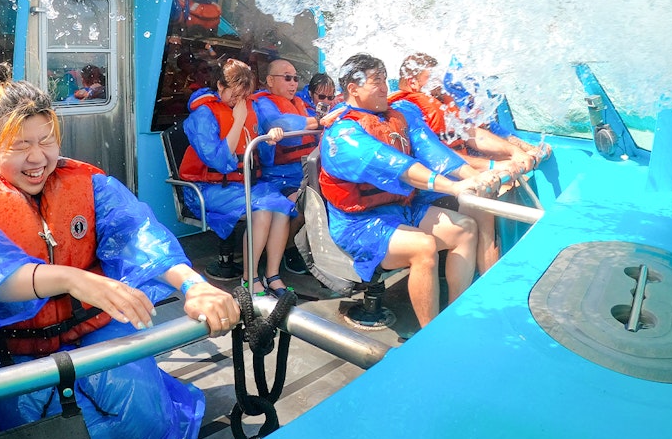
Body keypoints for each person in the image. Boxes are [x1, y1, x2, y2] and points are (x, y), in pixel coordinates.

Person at [0, 72, 239, 439]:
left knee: (143, 421)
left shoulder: (90, 186)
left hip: (95, 333)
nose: (38, 157)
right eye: (20, 145)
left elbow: (138, 233)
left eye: (46, 141)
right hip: (15, 354)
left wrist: (195, 286)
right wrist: (71, 278)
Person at [319, 54, 502, 327]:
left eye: (384, 79)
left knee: (465, 228)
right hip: (360, 224)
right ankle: (433, 335)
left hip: (401, 208)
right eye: (375, 82)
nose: (384, 87)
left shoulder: (399, 115)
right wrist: (452, 186)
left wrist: (474, 177)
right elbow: (399, 167)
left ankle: (455, 318)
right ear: (353, 89)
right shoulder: (342, 135)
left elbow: (433, 151)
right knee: (423, 246)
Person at [179, 59, 297, 297]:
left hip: (244, 184)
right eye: (234, 94)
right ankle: (249, 277)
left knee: (283, 207)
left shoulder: (247, 107)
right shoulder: (203, 115)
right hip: (208, 188)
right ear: (220, 86)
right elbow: (220, 163)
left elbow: (263, 157)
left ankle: (272, 275)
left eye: (244, 96)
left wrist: (268, 138)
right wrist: (238, 120)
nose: (238, 101)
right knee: (262, 210)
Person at [389, 52, 539, 175]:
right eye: (433, 79)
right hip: (437, 189)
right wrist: (495, 165)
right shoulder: (405, 110)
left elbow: (473, 133)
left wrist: (517, 150)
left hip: (463, 174)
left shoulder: (442, 102)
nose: (440, 84)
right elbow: (438, 154)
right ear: (413, 82)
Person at [251, 59, 321, 275]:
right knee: (302, 207)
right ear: (270, 81)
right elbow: (281, 125)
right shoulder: (262, 104)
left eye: (296, 79)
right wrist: (317, 122)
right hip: (275, 179)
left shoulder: (300, 103)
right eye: (287, 78)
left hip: (304, 173)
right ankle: (287, 250)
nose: (293, 83)